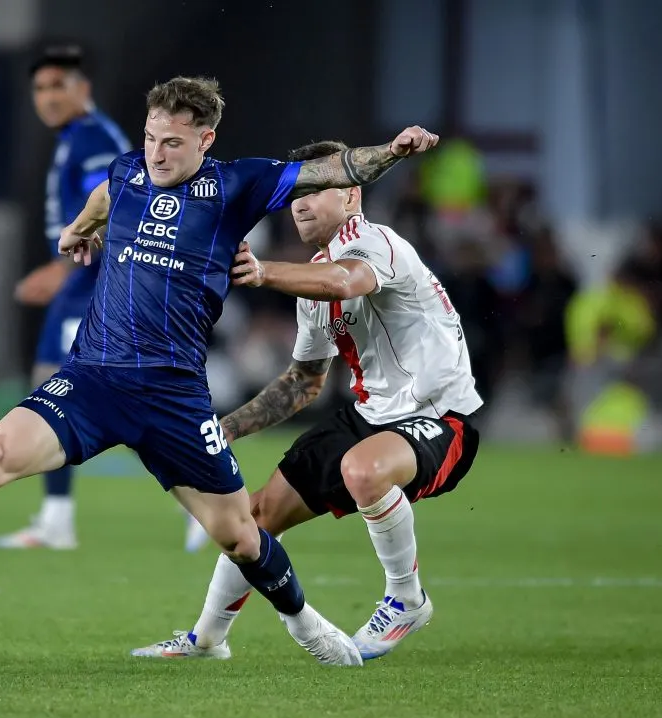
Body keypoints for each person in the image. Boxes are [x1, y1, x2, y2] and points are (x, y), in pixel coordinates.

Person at [0, 78, 437, 667]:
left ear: (204, 140)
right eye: (150, 137)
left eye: (172, 142)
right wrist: (79, 232)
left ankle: (305, 625)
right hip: (95, 379)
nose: (157, 153)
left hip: (173, 395)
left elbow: (335, 169)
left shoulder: (239, 185)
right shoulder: (128, 171)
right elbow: (106, 194)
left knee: (240, 536)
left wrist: (394, 150)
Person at [131, 139, 480, 662]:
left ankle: (406, 598)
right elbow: (303, 383)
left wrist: (264, 272)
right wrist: (221, 431)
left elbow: (347, 281)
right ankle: (207, 639)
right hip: (368, 418)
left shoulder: (376, 243)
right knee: (252, 518)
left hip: (439, 417)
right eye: (298, 191)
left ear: (352, 197)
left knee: (363, 471)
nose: (301, 201)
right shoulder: (311, 284)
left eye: (318, 188)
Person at [0, 45, 132, 550]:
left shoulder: (93, 138)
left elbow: (112, 201)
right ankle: (56, 519)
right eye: (40, 88)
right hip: (83, 279)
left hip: (93, 278)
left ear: (83, 89)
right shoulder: (78, 136)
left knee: (72, 392)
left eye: (58, 86)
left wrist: (62, 268)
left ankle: (206, 501)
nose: (48, 97)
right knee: (57, 390)